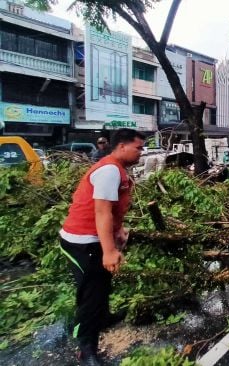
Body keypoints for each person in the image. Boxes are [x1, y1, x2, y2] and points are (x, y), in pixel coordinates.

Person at [59, 129, 145, 365]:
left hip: (92, 239)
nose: (141, 152)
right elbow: (101, 211)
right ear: (122, 146)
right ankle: (85, 347)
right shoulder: (109, 171)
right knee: (91, 297)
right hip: (82, 242)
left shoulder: (116, 169)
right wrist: (109, 251)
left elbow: (113, 210)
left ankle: (103, 318)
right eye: (138, 148)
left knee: (102, 286)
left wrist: (118, 230)